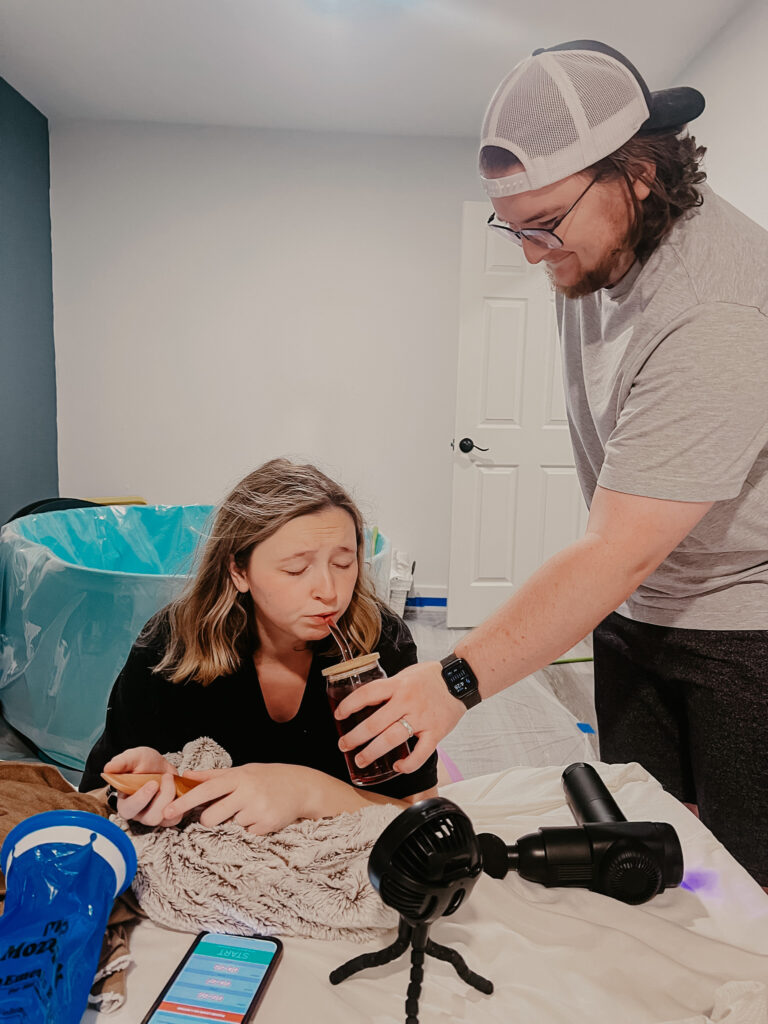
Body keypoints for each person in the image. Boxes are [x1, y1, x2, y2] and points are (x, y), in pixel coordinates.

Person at [334, 40, 768, 887]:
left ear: (637, 171)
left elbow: (619, 546)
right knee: (646, 854)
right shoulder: (597, 246)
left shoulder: (719, 308)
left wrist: (452, 681)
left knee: (746, 885)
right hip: (639, 607)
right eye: (514, 226)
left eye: (546, 226)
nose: (532, 254)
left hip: (746, 632)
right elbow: (625, 564)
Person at [80, 458, 438, 831]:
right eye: (296, 570)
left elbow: (418, 810)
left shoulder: (381, 643)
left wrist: (305, 791)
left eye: (344, 564)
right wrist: (147, 784)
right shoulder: (169, 649)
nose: (329, 593)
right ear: (238, 571)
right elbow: (93, 796)